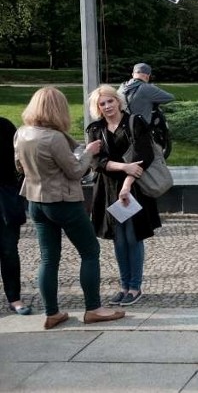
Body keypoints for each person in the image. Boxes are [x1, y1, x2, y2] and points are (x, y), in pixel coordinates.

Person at [13, 87, 125, 329]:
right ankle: (94, 309)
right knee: (90, 251)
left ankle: (52, 313)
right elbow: (76, 171)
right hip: (63, 202)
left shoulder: (22, 133)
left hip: (35, 201)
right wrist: (88, 153)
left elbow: (20, 168)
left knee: (48, 258)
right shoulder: (53, 138)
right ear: (57, 109)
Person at [85, 85, 162, 308]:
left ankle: (135, 286)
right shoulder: (95, 129)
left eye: (110, 101)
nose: (107, 106)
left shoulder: (135, 122)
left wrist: (127, 183)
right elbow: (95, 162)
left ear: (118, 101)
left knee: (133, 236)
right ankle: (124, 286)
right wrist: (123, 167)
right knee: (118, 238)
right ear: (97, 108)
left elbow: (143, 157)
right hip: (108, 188)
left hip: (133, 187)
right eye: (102, 103)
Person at [0, 116, 31, 316]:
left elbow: (19, 161)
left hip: (5, 197)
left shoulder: (5, 126)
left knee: (9, 250)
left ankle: (14, 298)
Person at [118, 63, 174, 157]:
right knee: (152, 160)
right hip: (142, 131)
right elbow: (169, 97)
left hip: (123, 130)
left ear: (133, 74)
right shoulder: (146, 88)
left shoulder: (122, 88)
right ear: (147, 76)